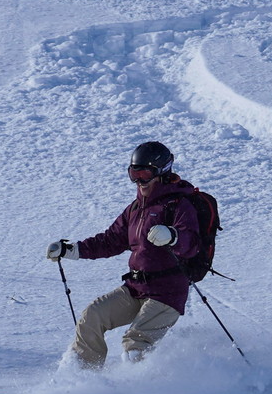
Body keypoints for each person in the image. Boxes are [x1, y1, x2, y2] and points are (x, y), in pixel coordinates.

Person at [46, 141, 201, 369]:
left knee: (136, 342)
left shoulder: (179, 205)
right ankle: (81, 377)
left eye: (144, 174)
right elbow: (110, 241)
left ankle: (137, 390)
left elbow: (192, 243)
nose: (139, 181)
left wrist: (173, 235)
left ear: (162, 173)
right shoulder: (136, 209)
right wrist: (72, 250)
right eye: (133, 173)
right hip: (136, 287)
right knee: (93, 316)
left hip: (167, 292)